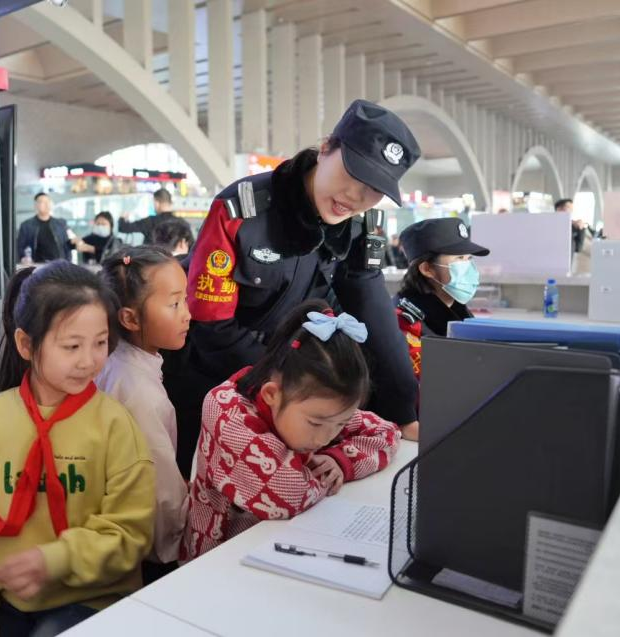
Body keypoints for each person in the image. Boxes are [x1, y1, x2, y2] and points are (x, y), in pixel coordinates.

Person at [168, 99, 423, 453]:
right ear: (326, 149)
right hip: (222, 387)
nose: (356, 197)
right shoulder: (242, 211)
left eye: (375, 189)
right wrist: (292, 387)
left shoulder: (360, 225)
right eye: (353, 174)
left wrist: (404, 409)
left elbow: (372, 311)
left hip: (301, 394)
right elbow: (213, 327)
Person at [0, 261, 155, 637]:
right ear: (26, 344)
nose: (89, 360)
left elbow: (129, 530)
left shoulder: (115, 424)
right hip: (6, 598)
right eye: (72, 346)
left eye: (100, 343)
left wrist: (54, 559)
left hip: (92, 596)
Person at [181, 299, 401, 561]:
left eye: (340, 424)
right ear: (271, 394)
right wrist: (324, 477)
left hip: (281, 544)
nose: (325, 438)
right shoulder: (228, 411)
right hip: (219, 558)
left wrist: (340, 461)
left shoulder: (313, 405)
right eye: (316, 424)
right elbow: (290, 494)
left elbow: (387, 432)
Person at [96, 246, 191, 572]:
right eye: (174, 304)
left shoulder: (118, 362)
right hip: (145, 553)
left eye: (185, 299)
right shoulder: (138, 391)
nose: (187, 313)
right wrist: (177, 542)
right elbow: (160, 491)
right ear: (130, 318)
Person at [394, 218, 490, 378]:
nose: (469, 267)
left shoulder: (458, 312)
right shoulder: (404, 323)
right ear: (427, 269)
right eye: (459, 258)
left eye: (469, 258)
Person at [17, 193, 74, 264]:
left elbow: (67, 246)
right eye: (42, 202)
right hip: (38, 266)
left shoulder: (60, 224)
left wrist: (68, 263)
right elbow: (20, 247)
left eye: (48, 202)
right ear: (36, 205)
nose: (47, 204)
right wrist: (23, 258)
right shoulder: (27, 226)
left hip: (59, 265)